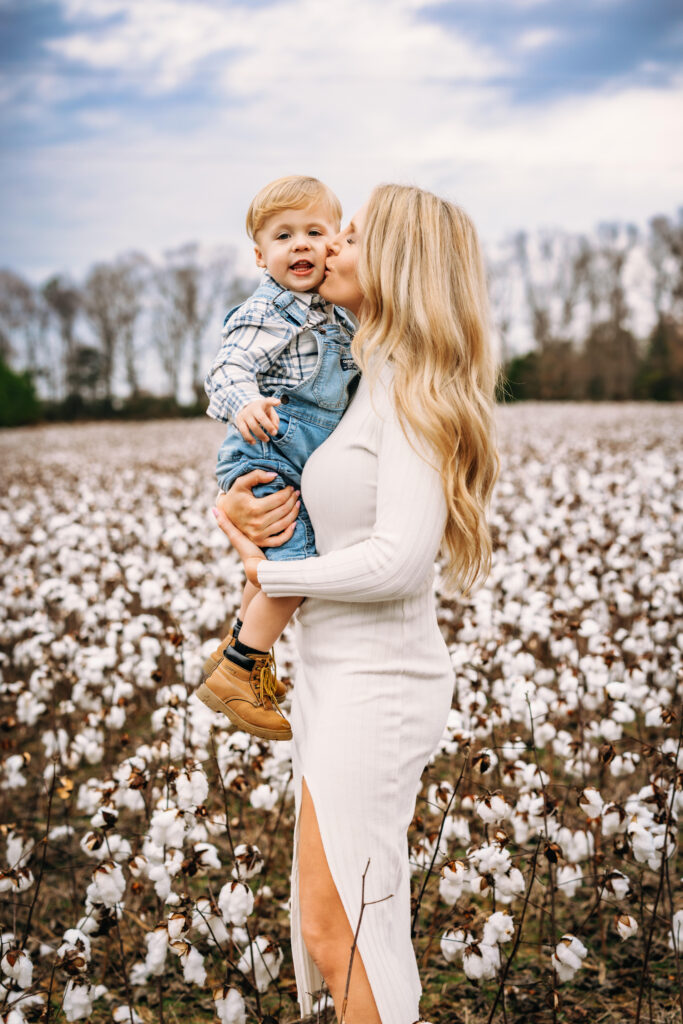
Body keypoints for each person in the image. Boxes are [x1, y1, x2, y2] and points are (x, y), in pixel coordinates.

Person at [211, 184, 500, 1024]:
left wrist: (270, 580)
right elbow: (308, 496)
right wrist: (234, 510)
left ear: (399, 265)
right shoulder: (354, 379)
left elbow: (396, 563)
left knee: (351, 931)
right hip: (331, 679)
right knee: (325, 926)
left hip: (378, 687)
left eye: (350, 237)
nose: (328, 248)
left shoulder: (413, 391)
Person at [198, 175, 359, 742]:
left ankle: (238, 652)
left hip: (294, 454)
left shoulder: (336, 316)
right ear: (260, 256)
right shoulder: (270, 309)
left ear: (335, 242)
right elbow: (226, 367)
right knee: (292, 563)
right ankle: (241, 669)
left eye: (315, 232)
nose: (301, 245)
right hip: (269, 448)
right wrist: (243, 402)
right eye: (283, 235)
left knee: (281, 552)